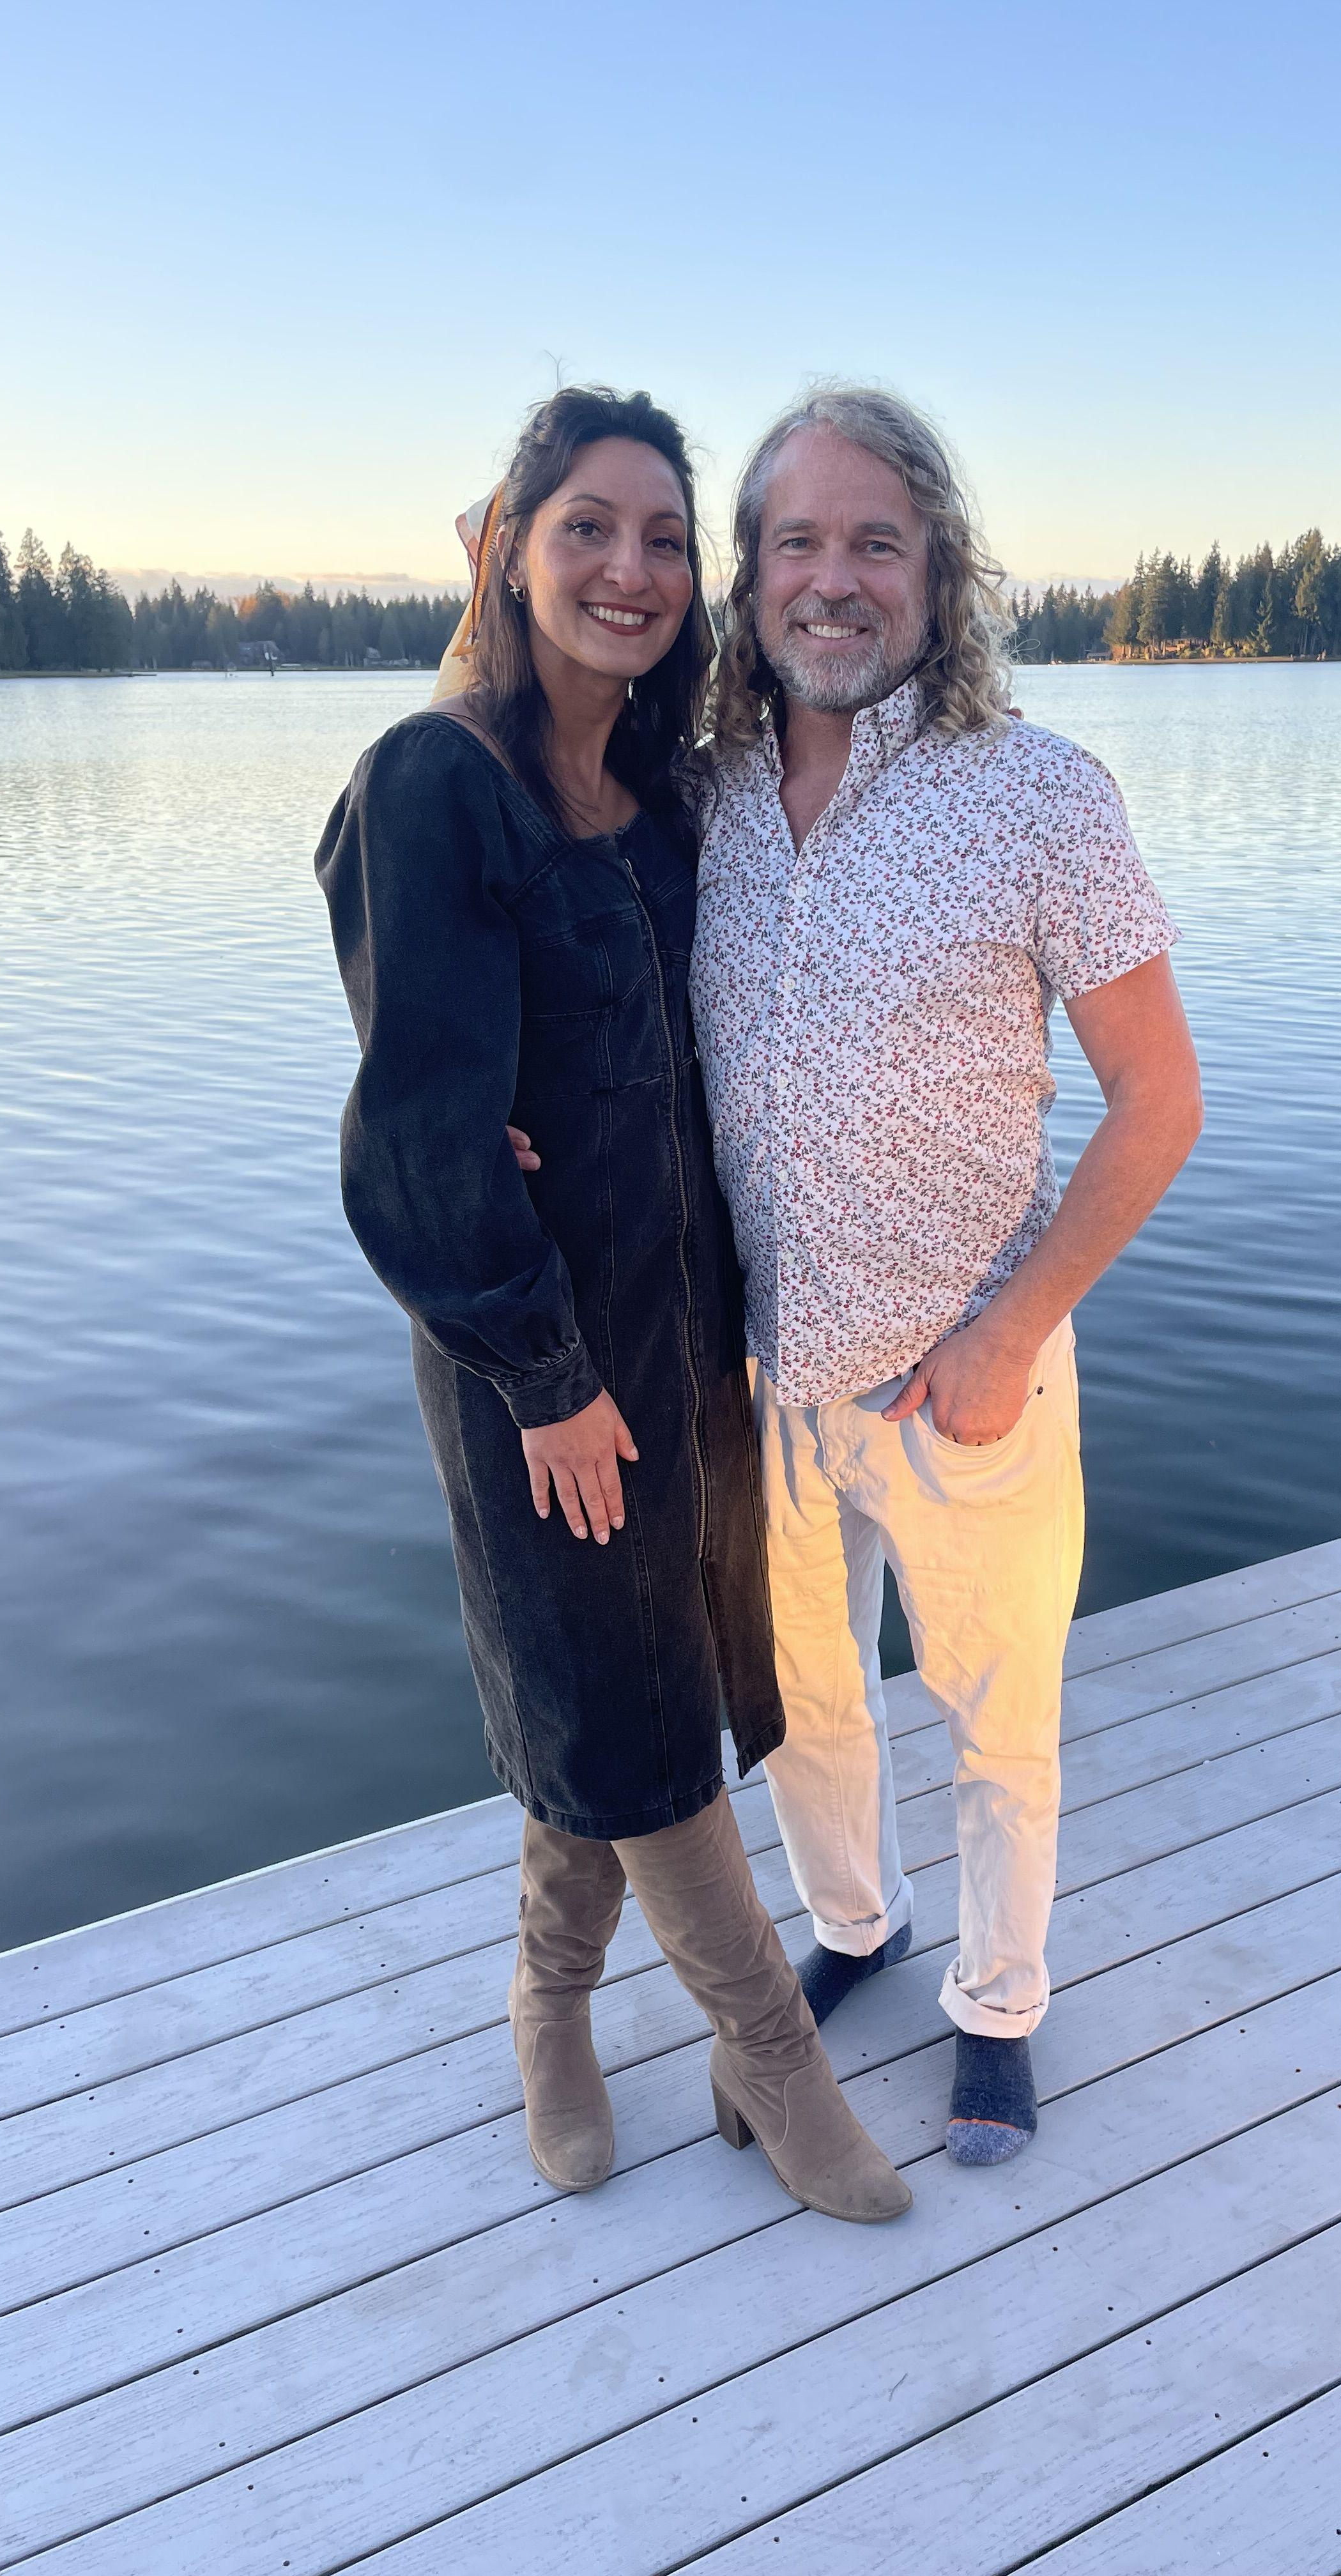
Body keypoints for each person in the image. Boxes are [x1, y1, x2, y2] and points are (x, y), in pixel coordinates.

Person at [315, 386, 909, 2225]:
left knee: (628, 1684)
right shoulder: (440, 783)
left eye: (663, 538)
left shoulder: (662, 797)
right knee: (628, 1705)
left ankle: (549, 1996)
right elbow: (416, 1140)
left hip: (685, 1336)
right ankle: (771, 2055)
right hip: (543, 1365)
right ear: (509, 548)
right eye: (587, 527)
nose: (630, 569)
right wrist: (545, 1374)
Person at [690, 386, 1205, 2166]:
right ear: (751, 574)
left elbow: (1161, 1102)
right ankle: (856, 1926)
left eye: (876, 543)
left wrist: (1010, 1333)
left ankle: (999, 2005)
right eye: (798, 542)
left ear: (940, 571)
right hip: (765, 1374)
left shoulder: (1042, 796)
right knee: (804, 1708)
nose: (833, 580)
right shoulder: (705, 796)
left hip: (963, 1375)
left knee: (1001, 1722)